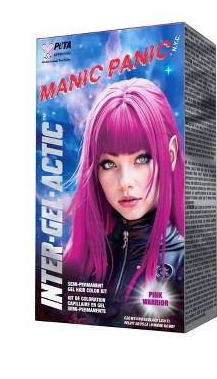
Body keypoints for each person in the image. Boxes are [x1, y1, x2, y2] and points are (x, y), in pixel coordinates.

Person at [63, 78, 184, 322]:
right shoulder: (83, 259)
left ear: (170, 155)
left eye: (141, 159)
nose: (125, 182)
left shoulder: (184, 262)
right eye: (109, 164)